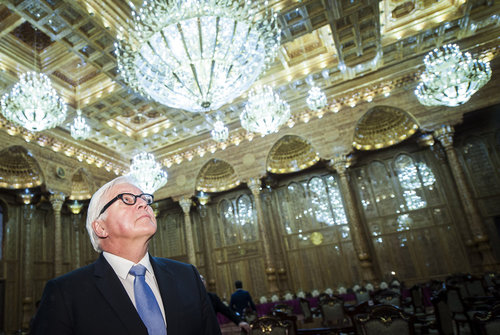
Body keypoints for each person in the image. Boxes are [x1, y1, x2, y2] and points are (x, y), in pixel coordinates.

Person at [31, 175, 221, 335]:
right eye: (127, 199)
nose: (143, 204)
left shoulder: (187, 277)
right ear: (101, 227)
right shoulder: (66, 293)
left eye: (145, 199)